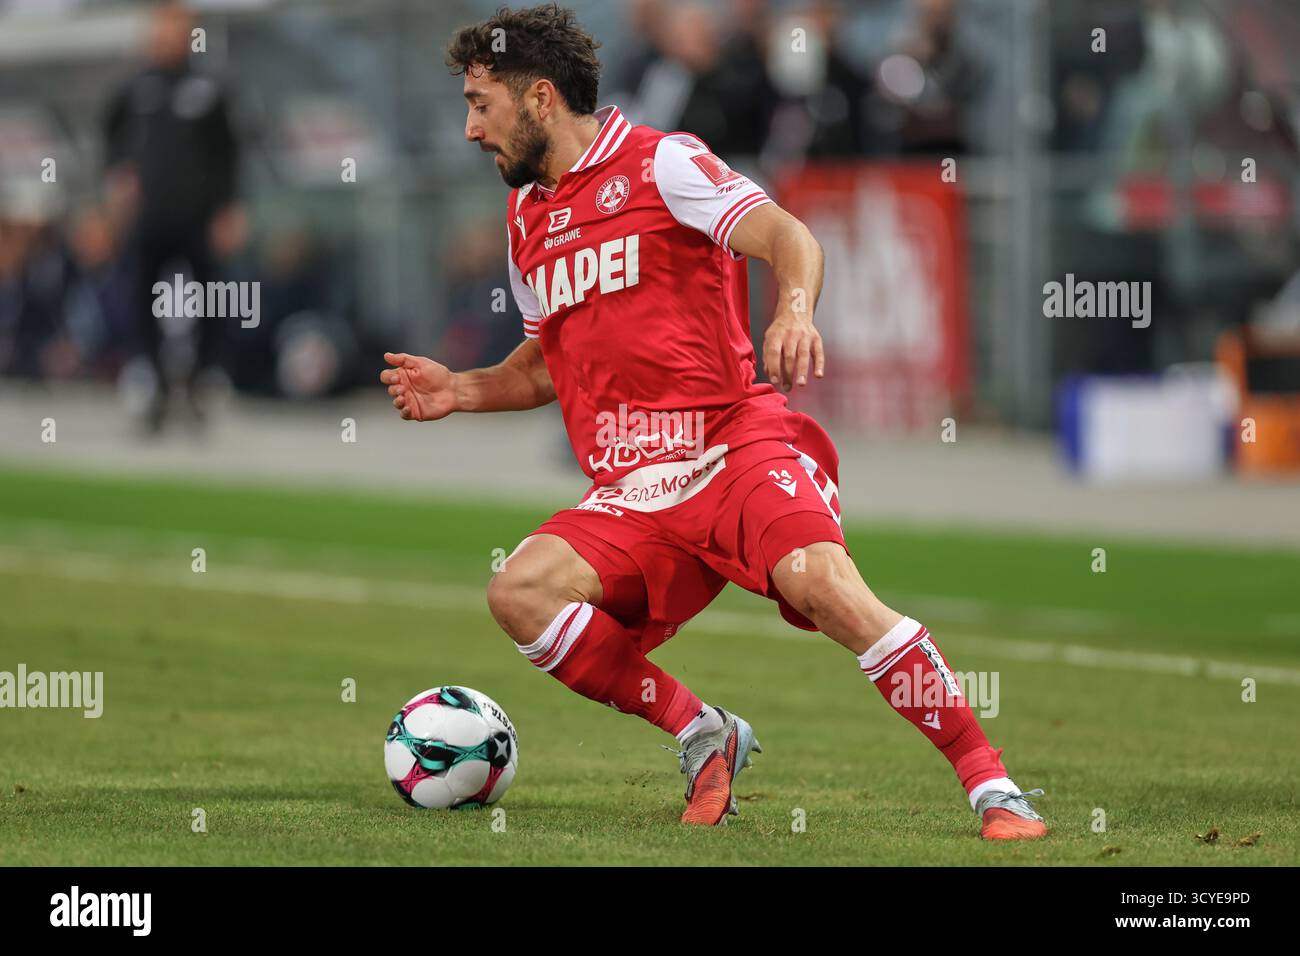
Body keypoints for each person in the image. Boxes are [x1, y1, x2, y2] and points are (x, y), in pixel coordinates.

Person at [381, 3, 1046, 837]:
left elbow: (788, 236)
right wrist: (463, 390)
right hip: (633, 487)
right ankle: (703, 733)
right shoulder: (527, 221)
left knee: (823, 585)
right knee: (520, 591)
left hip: (730, 446)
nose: (471, 128)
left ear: (540, 97)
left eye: (481, 104)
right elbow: (552, 359)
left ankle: (993, 787)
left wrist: (795, 312)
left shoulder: (664, 164)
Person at [103, 0, 241, 431]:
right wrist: (116, 181)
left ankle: (201, 380)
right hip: (149, 217)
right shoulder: (133, 89)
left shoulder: (208, 88)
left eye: (176, 29)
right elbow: (111, 143)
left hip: (198, 217)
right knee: (141, 297)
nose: (166, 38)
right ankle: (151, 380)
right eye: (160, 29)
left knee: (212, 300)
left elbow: (229, 154)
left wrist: (229, 209)